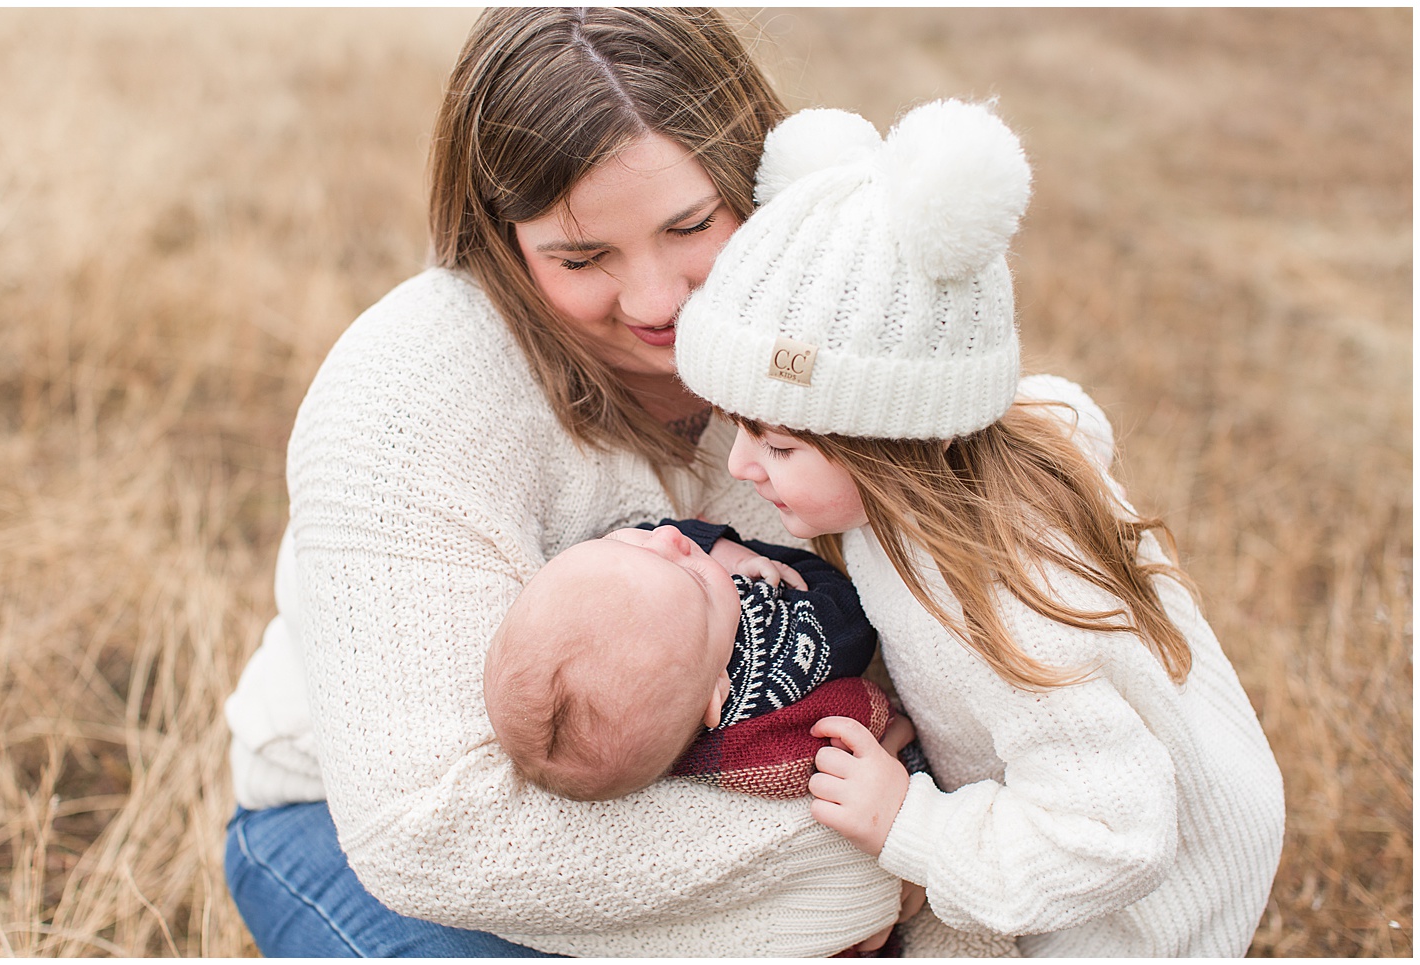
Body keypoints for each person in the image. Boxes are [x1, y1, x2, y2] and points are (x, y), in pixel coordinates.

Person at [222, 8, 1015, 958]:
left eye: (690, 226)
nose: (655, 303)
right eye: (581, 257)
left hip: (760, 795)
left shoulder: (825, 345)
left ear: (754, 182)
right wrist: (897, 859)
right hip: (374, 836)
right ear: (500, 237)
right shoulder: (406, 393)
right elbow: (425, 831)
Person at [675, 98, 1287, 955]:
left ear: (902, 439)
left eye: (776, 444)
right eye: (739, 428)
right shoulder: (949, 471)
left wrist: (912, 824)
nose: (742, 466)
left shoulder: (992, 604)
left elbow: (1114, 833)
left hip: (1130, 917)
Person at [484, 518, 898, 802]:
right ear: (718, 691)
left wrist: (718, 555)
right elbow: (850, 616)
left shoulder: (680, 647)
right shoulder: (780, 654)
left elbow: (648, 554)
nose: (668, 536)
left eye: (615, 544)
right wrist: (756, 559)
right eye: (695, 578)